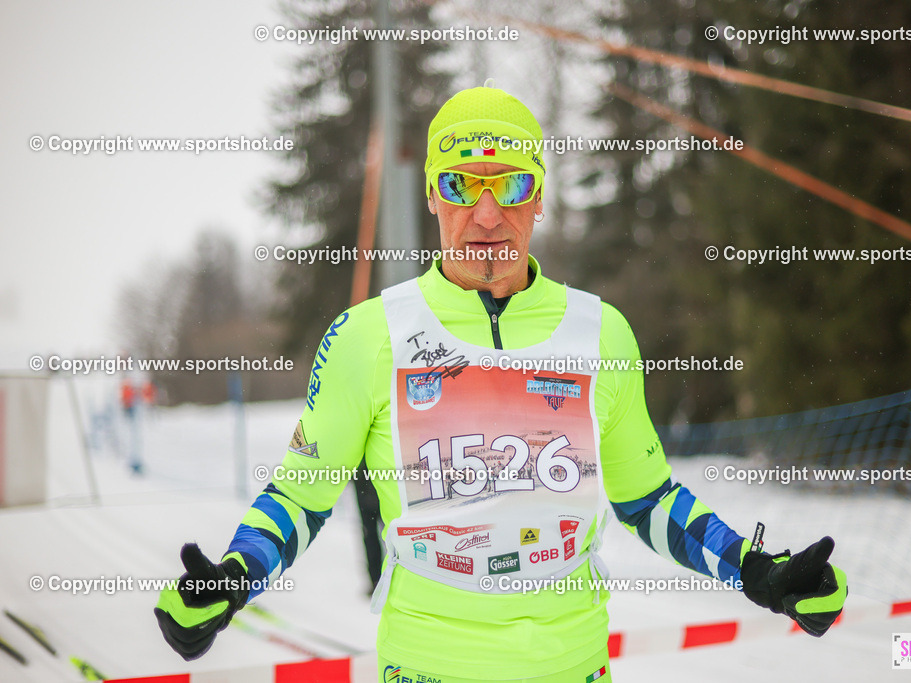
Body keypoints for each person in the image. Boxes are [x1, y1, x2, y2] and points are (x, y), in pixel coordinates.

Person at [154, 83, 847, 681]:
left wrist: (758, 570)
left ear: (539, 196)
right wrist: (234, 576)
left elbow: (648, 499)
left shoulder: (600, 333)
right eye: (461, 185)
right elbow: (301, 499)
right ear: (431, 193)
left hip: (572, 664)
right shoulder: (368, 337)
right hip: (427, 664)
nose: (487, 216)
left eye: (511, 185)